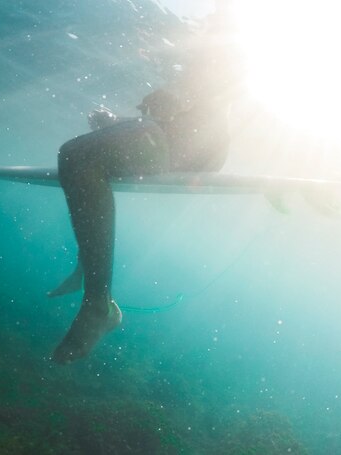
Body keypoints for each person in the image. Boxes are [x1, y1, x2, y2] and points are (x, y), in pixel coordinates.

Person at [51, 23, 240, 364]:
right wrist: (117, 122)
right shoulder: (196, 39)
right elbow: (178, 110)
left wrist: (181, 95)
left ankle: (98, 304)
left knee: (79, 157)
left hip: (197, 146)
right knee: (76, 154)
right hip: (173, 134)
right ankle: (88, 267)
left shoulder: (225, 27)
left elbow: (233, 70)